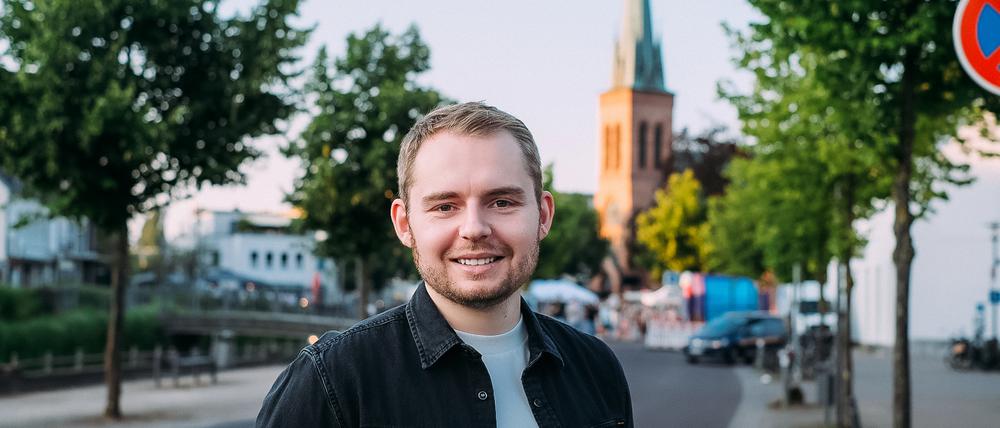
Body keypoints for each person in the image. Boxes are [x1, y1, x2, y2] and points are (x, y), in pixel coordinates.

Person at [256, 102, 633, 428]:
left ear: (544, 215)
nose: (474, 229)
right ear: (405, 224)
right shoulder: (334, 380)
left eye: (501, 202)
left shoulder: (596, 368)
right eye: (444, 206)